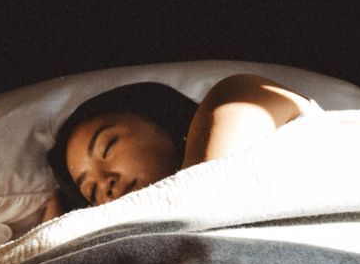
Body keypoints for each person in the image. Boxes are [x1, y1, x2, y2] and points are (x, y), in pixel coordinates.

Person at [48, 73, 322, 214]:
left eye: (107, 148)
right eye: (92, 190)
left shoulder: (239, 94)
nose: (105, 183)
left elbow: (199, 201)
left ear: (157, 116)